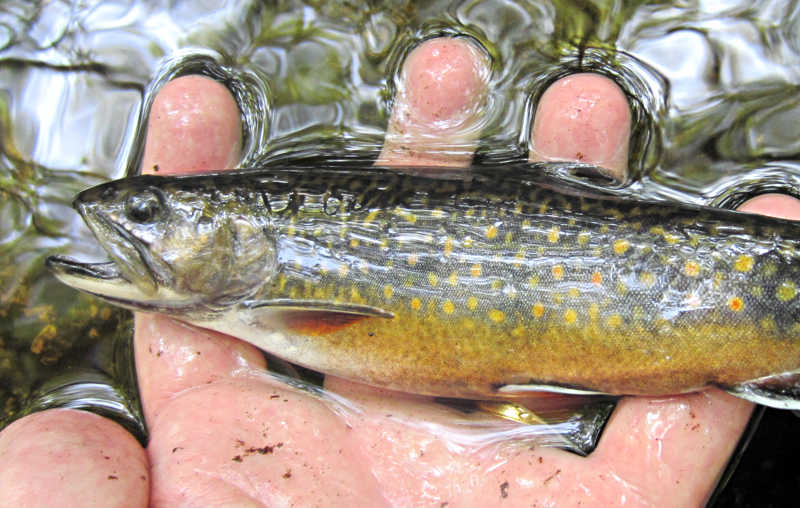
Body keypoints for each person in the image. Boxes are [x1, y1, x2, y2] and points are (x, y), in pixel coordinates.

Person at [1, 37, 797, 506]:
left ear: (246, 235)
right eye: (149, 215)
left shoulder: (278, 304)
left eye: (146, 217)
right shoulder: (259, 297)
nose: (121, 220)